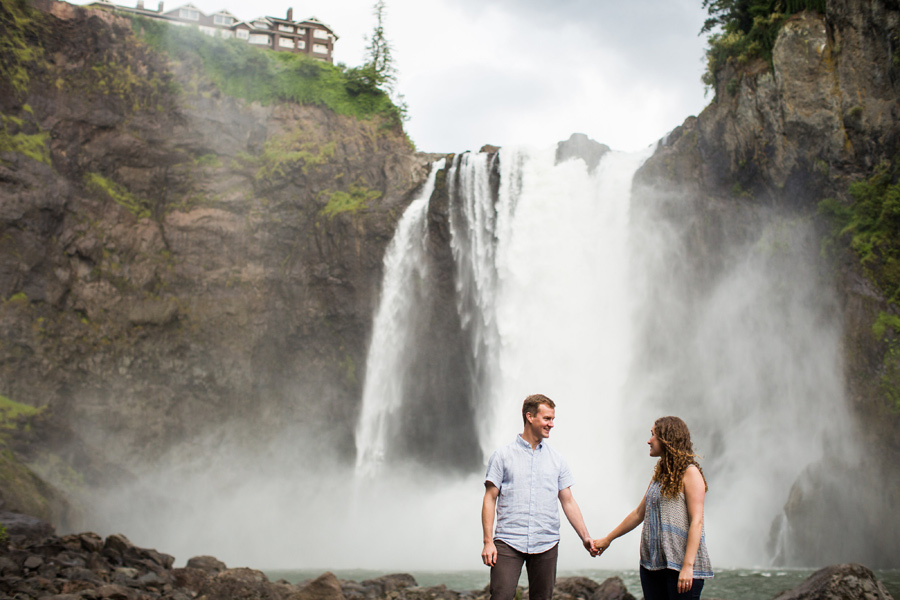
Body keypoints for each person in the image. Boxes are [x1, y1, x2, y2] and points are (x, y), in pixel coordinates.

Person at [481, 393, 596, 600]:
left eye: (553, 419)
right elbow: (490, 498)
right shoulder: (502, 456)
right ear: (530, 417)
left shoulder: (557, 460)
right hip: (508, 541)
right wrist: (488, 541)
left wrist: (585, 536)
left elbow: (568, 500)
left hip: (546, 541)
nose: (551, 424)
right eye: (547, 419)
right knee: (501, 596)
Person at [591, 416, 713, 600]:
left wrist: (688, 566)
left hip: (681, 567)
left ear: (668, 439)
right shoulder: (662, 474)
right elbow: (639, 513)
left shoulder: (691, 473)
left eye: (653, 435)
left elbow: (697, 521)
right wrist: (608, 539)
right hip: (652, 565)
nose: (649, 440)